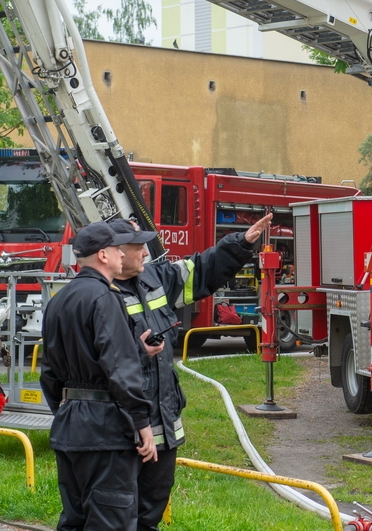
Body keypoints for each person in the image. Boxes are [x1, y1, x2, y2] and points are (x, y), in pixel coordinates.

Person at [108, 213, 272, 531]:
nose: (145, 252)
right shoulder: (99, 294)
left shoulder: (155, 278)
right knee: (116, 514)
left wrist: (241, 243)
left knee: (149, 513)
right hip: (123, 433)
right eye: (137, 246)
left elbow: (202, 269)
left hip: (164, 431)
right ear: (113, 252)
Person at [40, 221, 158, 531]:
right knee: (111, 521)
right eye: (119, 250)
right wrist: (142, 422)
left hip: (70, 428)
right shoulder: (105, 298)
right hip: (105, 432)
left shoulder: (58, 301)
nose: (123, 255)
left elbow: (50, 373)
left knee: (74, 522)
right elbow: (120, 367)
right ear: (103, 255)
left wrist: (69, 410)